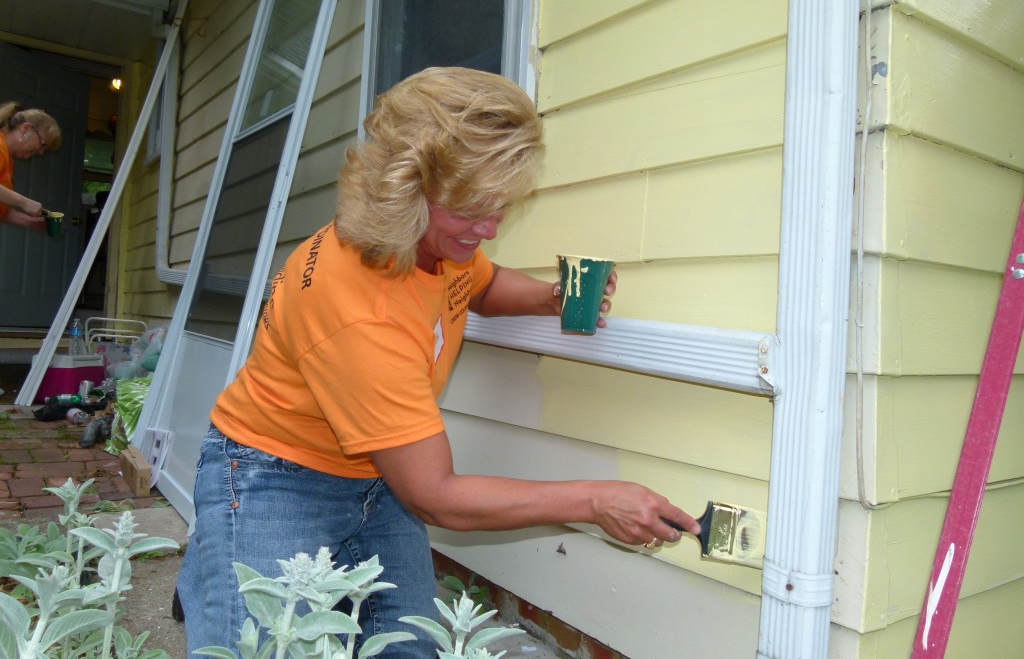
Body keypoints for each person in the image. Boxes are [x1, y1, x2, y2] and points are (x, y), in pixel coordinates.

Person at [176, 67, 700, 658]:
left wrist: (547, 298)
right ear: (406, 187)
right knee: (263, 648)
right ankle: (220, 559)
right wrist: (596, 500)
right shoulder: (360, 309)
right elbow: (437, 496)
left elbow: (480, 285)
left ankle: (218, 569)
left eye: (501, 206)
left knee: (410, 648)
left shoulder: (434, 242)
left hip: (378, 476)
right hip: (272, 475)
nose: (490, 227)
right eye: (473, 209)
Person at [0, 102, 62, 232]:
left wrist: (30, 222)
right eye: (43, 143)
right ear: (25, 129)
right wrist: (24, 202)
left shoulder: (7, 159)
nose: (41, 152)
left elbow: (2, 211)